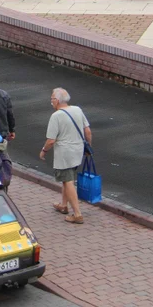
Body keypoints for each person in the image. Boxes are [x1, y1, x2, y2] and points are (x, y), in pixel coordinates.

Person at [41, 88, 91, 225]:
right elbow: (87, 131)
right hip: (78, 151)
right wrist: (88, 148)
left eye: (52, 99)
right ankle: (63, 205)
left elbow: (51, 140)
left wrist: (44, 151)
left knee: (68, 181)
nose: (51, 102)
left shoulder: (56, 116)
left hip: (65, 154)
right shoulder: (77, 110)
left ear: (56, 101)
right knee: (67, 178)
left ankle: (78, 214)